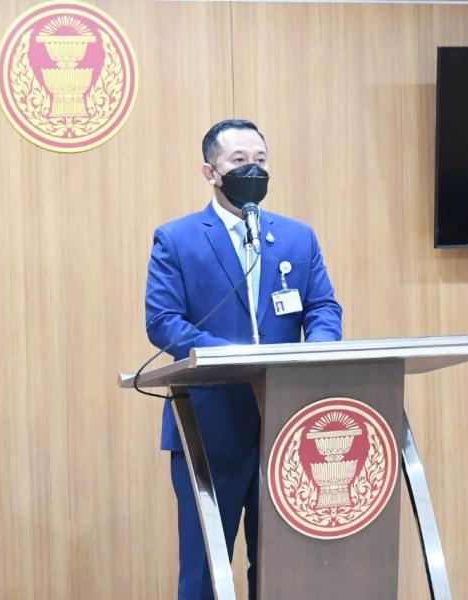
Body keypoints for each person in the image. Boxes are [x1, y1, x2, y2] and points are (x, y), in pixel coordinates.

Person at [145, 119, 343, 599]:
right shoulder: (177, 239)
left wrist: (316, 351)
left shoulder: (297, 238)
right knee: (206, 570)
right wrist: (231, 357)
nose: (251, 170)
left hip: (287, 425)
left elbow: (323, 308)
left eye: (260, 160)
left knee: (280, 568)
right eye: (238, 161)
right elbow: (164, 321)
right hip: (209, 427)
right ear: (210, 172)